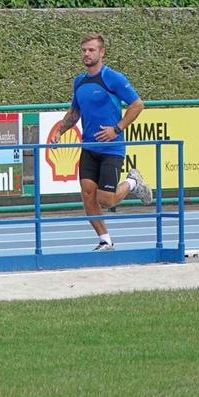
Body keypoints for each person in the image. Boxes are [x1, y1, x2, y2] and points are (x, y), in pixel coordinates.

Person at [49, 33, 153, 251]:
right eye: (84, 50)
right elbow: (74, 111)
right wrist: (60, 130)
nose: (87, 54)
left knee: (106, 200)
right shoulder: (79, 81)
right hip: (89, 147)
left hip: (111, 148)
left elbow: (137, 105)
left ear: (102, 52)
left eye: (91, 50)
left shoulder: (113, 78)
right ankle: (105, 240)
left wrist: (117, 128)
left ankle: (133, 182)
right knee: (87, 194)